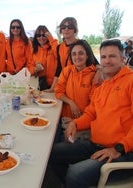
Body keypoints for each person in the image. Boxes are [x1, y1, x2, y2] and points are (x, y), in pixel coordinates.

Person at [48, 39, 133, 188]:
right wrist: (75, 123)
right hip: (96, 144)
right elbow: (91, 113)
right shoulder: (102, 85)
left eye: (112, 56)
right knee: (51, 153)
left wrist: (118, 148)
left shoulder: (130, 81)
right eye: (104, 57)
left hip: (123, 152)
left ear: (123, 58)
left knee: (75, 174)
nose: (107, 61)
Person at [54, 40, 96, 143]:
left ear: (87, 55)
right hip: (65, 120)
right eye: (74, 54)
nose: (77, 57)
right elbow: (58, 91)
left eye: (81, 53)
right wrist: (71, 102)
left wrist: (78, 122)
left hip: (84, 126)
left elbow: (94, 106)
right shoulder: (67, 71)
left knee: (58, 149)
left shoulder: (94, 75)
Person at [47, 17, 102, 92]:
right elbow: (59, 69)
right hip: (64, 83)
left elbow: (94, 62)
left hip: (81, 85)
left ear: (75, 30)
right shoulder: (59, 47)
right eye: (63, 27)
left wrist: (99, 71)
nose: (66, 29)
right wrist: (52, 88)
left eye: (70, 27)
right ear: (61, 30)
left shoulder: (82, 44)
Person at [31, 25, 58, 90]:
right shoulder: (33, 51)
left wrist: (51, 39)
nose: (41, 38)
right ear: (36, 37)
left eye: (44, 35)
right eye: (38, 35)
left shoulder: (53, 47)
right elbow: (30, 65)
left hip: (54, 84)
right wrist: (35, 69)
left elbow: (58, 55)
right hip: (40, 84)